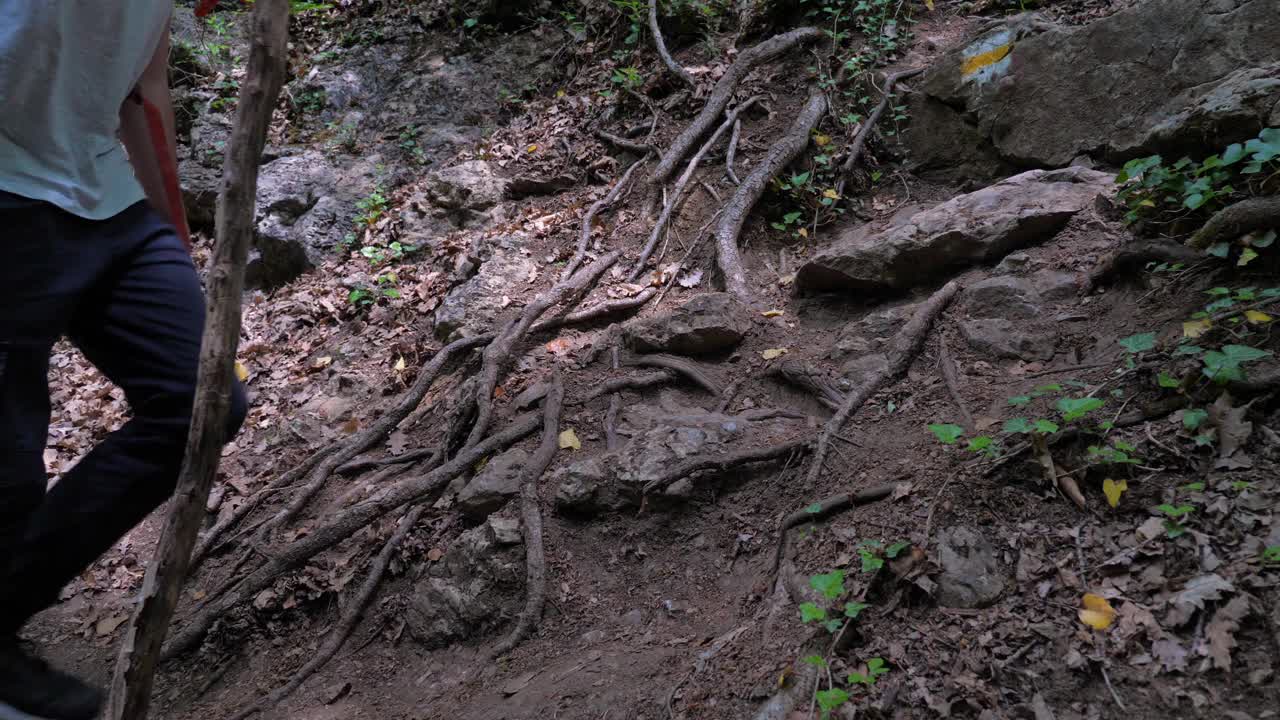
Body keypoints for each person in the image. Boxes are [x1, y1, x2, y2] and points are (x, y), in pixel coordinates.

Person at [0, 2, 248, 718]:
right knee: (9, 458)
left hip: (104, 195)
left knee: (201, 398)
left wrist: (176, 248)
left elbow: (147, 93)